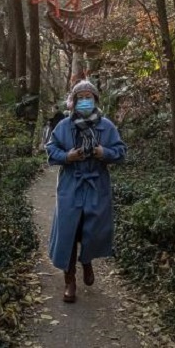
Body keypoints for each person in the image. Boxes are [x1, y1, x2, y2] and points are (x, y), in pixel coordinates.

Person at [46, 80, 126, 303]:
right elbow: (51, 149)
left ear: (95, 99)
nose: (84, 101)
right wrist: (67, 157)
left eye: (88, 97)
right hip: (71, 184)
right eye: (80, 97)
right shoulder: (63, 126)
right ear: (73, 101)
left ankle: (87, 261)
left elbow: (121, 151)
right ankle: (69, 280)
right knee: (68, 231)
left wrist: (104, 152)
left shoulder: (107, 126)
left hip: (96, 183)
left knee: (91, 229)